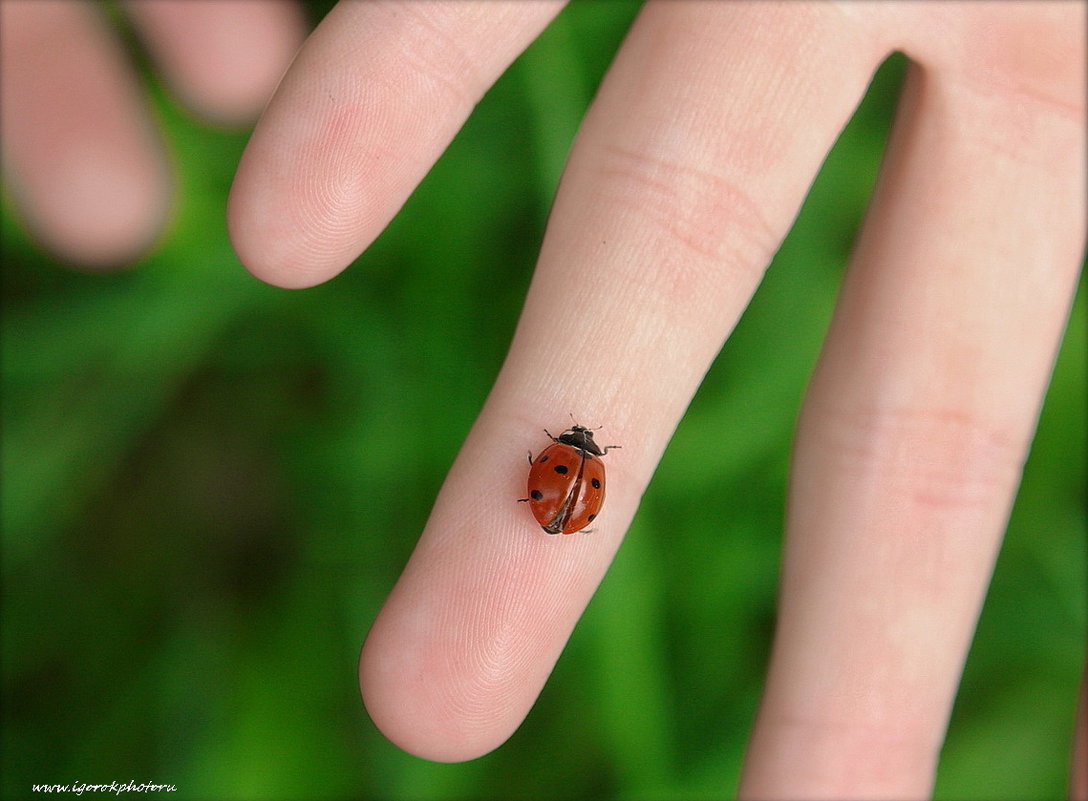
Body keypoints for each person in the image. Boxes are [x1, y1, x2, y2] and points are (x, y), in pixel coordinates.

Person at [2, 1, 1084, 797]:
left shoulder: (569, 469)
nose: (569, 457)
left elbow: (565, 474)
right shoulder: (570, 471)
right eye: (571, 458)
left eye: (567, 458)